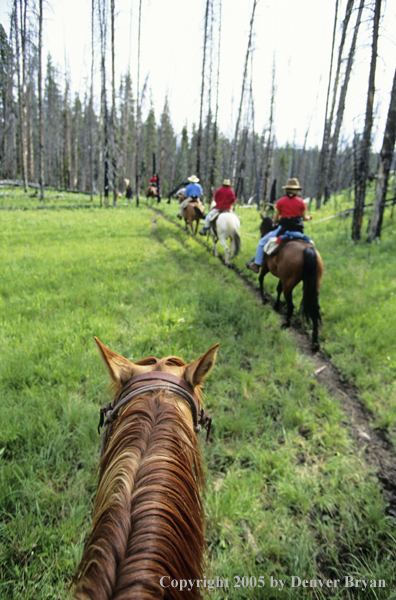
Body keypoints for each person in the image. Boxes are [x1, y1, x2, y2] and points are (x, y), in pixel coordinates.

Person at [246, 178, 312, 273]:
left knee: (261, 242)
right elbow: (305, 218)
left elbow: (276, 218)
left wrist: (275, 221)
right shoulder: (301, 201)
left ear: (287, 189)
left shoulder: (281, 201)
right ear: (297, 190)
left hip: (283, 229)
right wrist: (310, 217)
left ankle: (256, 265)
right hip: (298, 231)